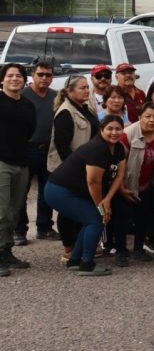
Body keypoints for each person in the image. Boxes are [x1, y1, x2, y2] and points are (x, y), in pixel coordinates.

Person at [43, 116, 126, 276]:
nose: (114, 132)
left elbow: (119, 175)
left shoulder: (119, 148)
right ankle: (87, 264)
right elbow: (93, 182)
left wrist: (108, 199)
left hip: (75, 191)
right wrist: (101, 206)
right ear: (101, 130)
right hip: (59, 191)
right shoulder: (97, 149)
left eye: (118, 129)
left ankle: (75, 260)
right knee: (96, 219)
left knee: (93, 219)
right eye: (110, 129)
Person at [113, 104, 154, 266]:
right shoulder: (128, 135)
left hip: (147, 183)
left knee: (143, 217)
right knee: (121, 219)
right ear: (139, 117)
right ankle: (120, 251)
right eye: (147, 116)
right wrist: (122, 188)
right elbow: (118, 164)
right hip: (126, 184)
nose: (151, 120)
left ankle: (138, 249)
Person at [0, 64, 37, 274]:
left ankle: (6, 251)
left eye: (19, 75)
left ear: (24, 80)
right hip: (1, 163)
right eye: (10, 75)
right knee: (2, 211)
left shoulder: (27, 105)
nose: (15, 78)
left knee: (14, 211)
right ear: (2, 80)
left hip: (21, 163)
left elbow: (29, 132)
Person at [16, 62, 57, 246]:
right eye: (40, 74)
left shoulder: (56, 96)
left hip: (49, 149)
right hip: (27, 149)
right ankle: (19, 230)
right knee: (21, 192)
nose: (44, 78)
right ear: (32, 75)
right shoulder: (22, 95)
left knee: (47, 191)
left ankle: (45, 227)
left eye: (48, 75)